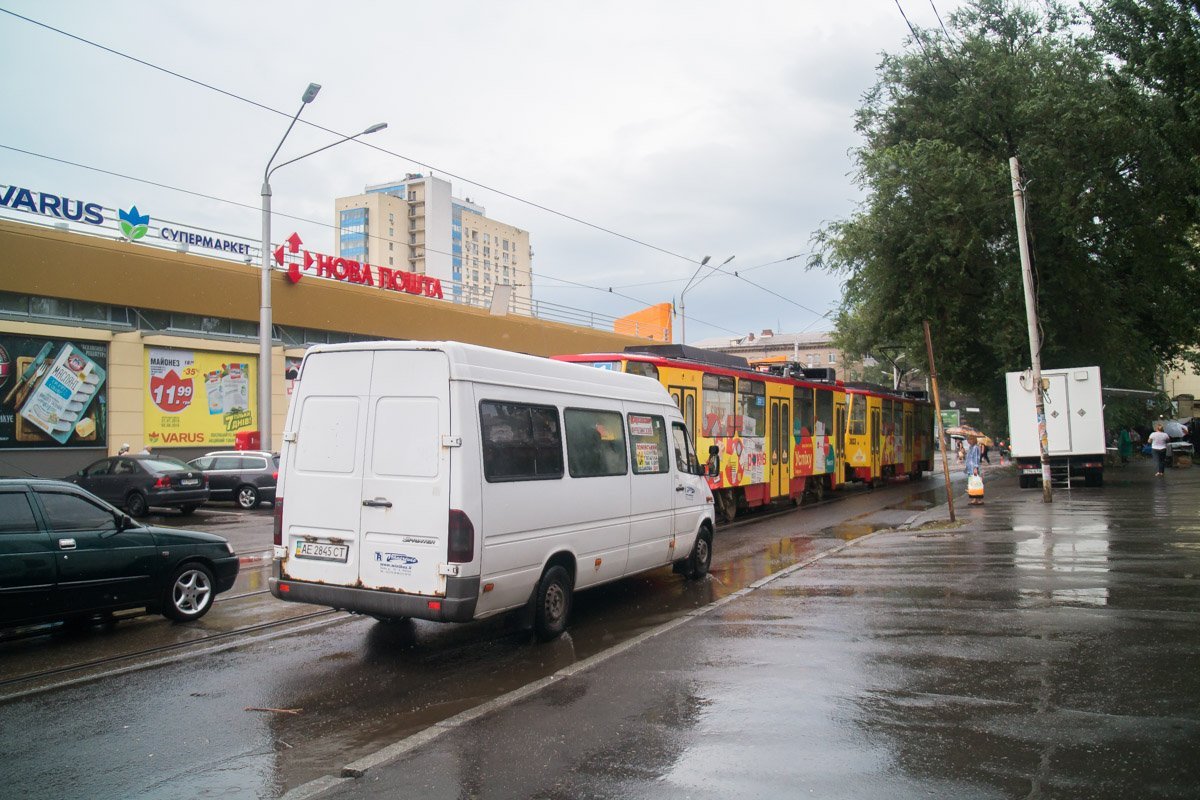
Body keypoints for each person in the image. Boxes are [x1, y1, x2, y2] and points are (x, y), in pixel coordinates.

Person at [964, 434, 984, 505]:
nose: (968, 441)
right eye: (968, 439)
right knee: (972, 484)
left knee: (976, 483)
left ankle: (978, 499)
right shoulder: (971, 447)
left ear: (973, 440)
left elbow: (976, 458)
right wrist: (966, 467)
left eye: (969, 439)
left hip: (973, 468)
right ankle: (974, 498)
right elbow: (968, 458)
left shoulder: (975, 447)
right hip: (970, 468)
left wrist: (975, 467)